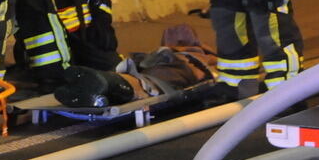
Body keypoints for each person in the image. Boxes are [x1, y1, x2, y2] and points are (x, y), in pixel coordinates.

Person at [54, 24, 216, 108]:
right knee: (146, 81)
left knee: (145, 80)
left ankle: (106, 82)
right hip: (172, 67)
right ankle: (106, 84)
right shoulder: (199, 53)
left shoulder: (199, 52)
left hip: (173, 67)